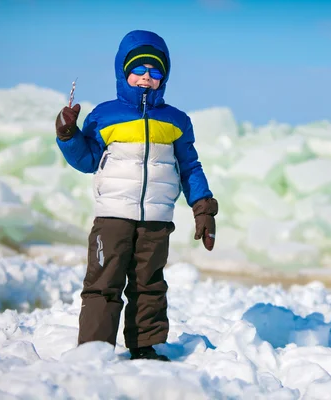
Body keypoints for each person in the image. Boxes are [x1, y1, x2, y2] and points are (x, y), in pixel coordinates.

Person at [54, 30, 218, 361]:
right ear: (124, 72)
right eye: (139, 70)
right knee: (104, 283)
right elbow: (86, 160)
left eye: (155, 72)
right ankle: (93, 350)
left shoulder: (176, 121)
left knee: (149, 285)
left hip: (156, 220)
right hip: (112, 217)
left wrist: (203, 207)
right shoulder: (104, 114)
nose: (147, 77)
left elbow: (189, 166)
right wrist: (67, 133)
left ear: (164, 77)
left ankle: (145, 347)